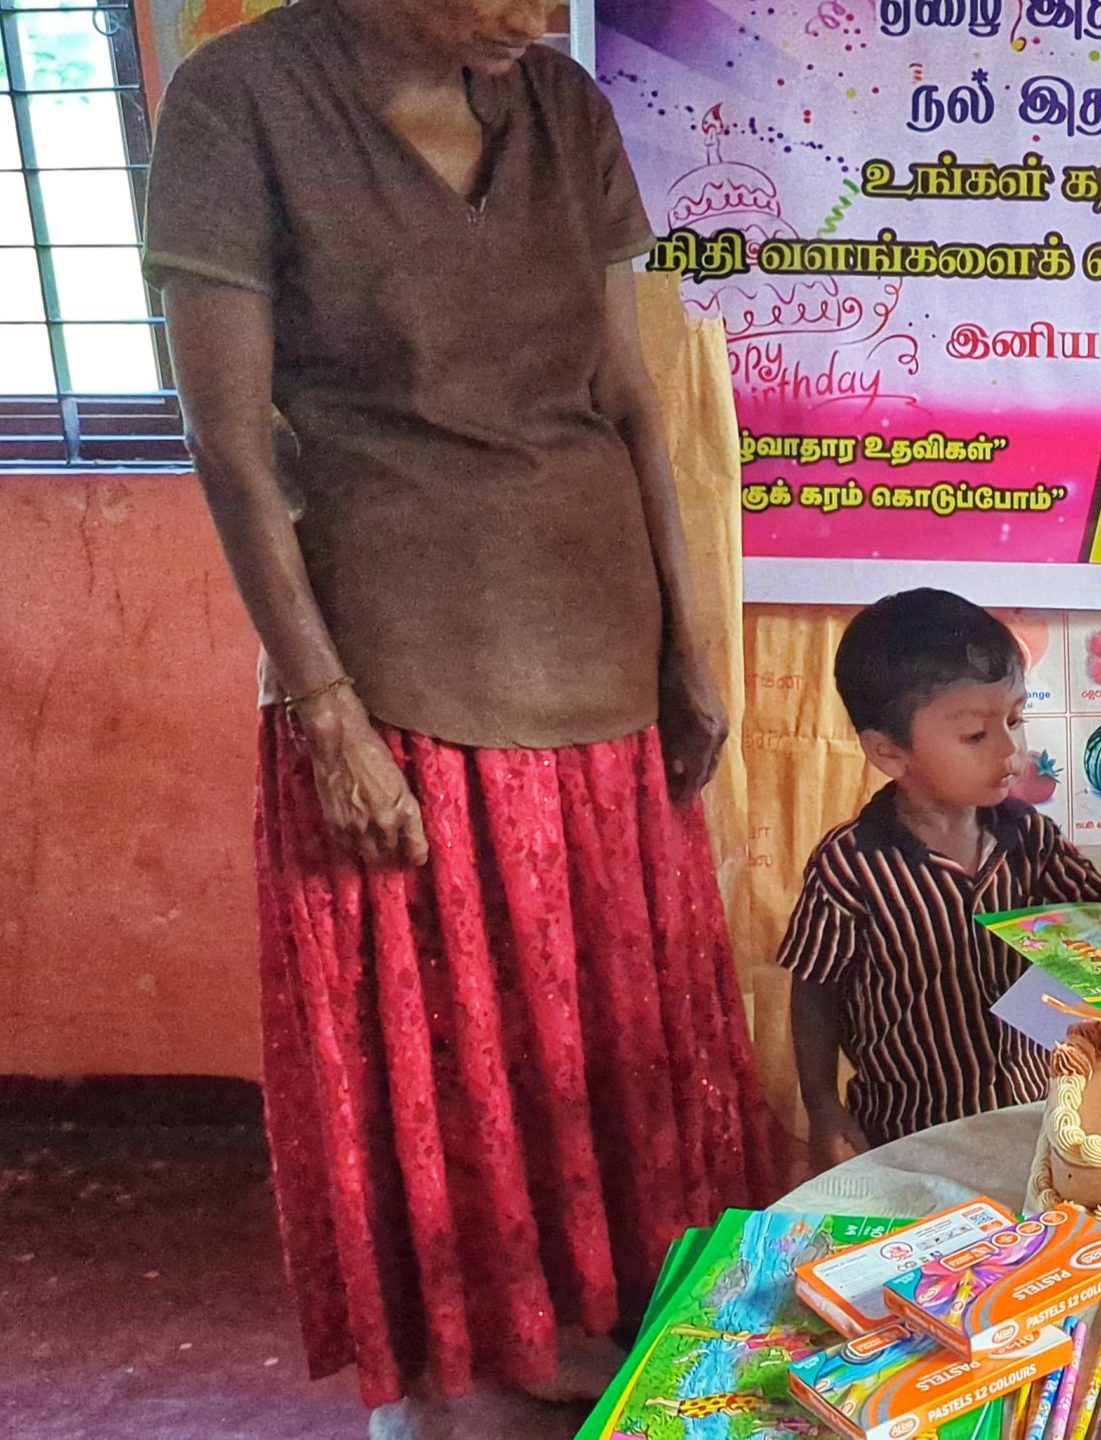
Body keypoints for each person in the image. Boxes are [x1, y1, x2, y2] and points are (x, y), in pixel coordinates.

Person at [144, 0, 776, 1433]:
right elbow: (229, 441)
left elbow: (627, 396)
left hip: (596, 645)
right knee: (449, 1033)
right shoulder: (240, 103)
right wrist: (325, 709)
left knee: (611, 1022)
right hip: (396, 669)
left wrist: (685, 646)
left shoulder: (561, 107)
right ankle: (477, 1350)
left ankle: (603, 1316)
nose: (534, 16)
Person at [781, 589, 1101, 1174]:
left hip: (1035, 1116)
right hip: (906, 1135)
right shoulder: (850, 866)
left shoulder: (1029, 837)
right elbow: (814, 993)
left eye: (1016, 720)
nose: (1012, 751)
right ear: (889, 753)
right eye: (975, 735)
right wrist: (822, 1106)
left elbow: (1094, 924)